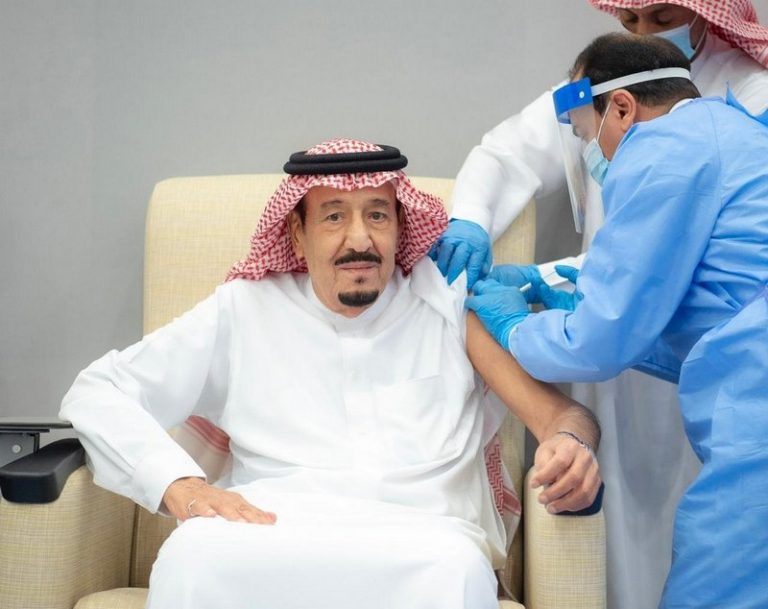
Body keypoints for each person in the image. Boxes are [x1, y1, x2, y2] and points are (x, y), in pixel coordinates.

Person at [59, 139, 601, 609]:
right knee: (191, 556)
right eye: (334, 216)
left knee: (454, 569)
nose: (359, 239)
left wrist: (572, 444)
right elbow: (98, 390)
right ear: (297, 233)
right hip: (266, 531)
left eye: (378, 215)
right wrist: (179, 485)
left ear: (400, 227)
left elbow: (563, 417)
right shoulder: (244, 310)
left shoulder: (450, 308)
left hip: (419, 541)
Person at [431, 3, 768, 607]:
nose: (597, 154)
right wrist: (569, 298)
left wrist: (517, 327)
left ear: (622, 109)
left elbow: (600, 339)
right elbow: (715, 302)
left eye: (590, 137)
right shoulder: (724, 127)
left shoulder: (663, 147)